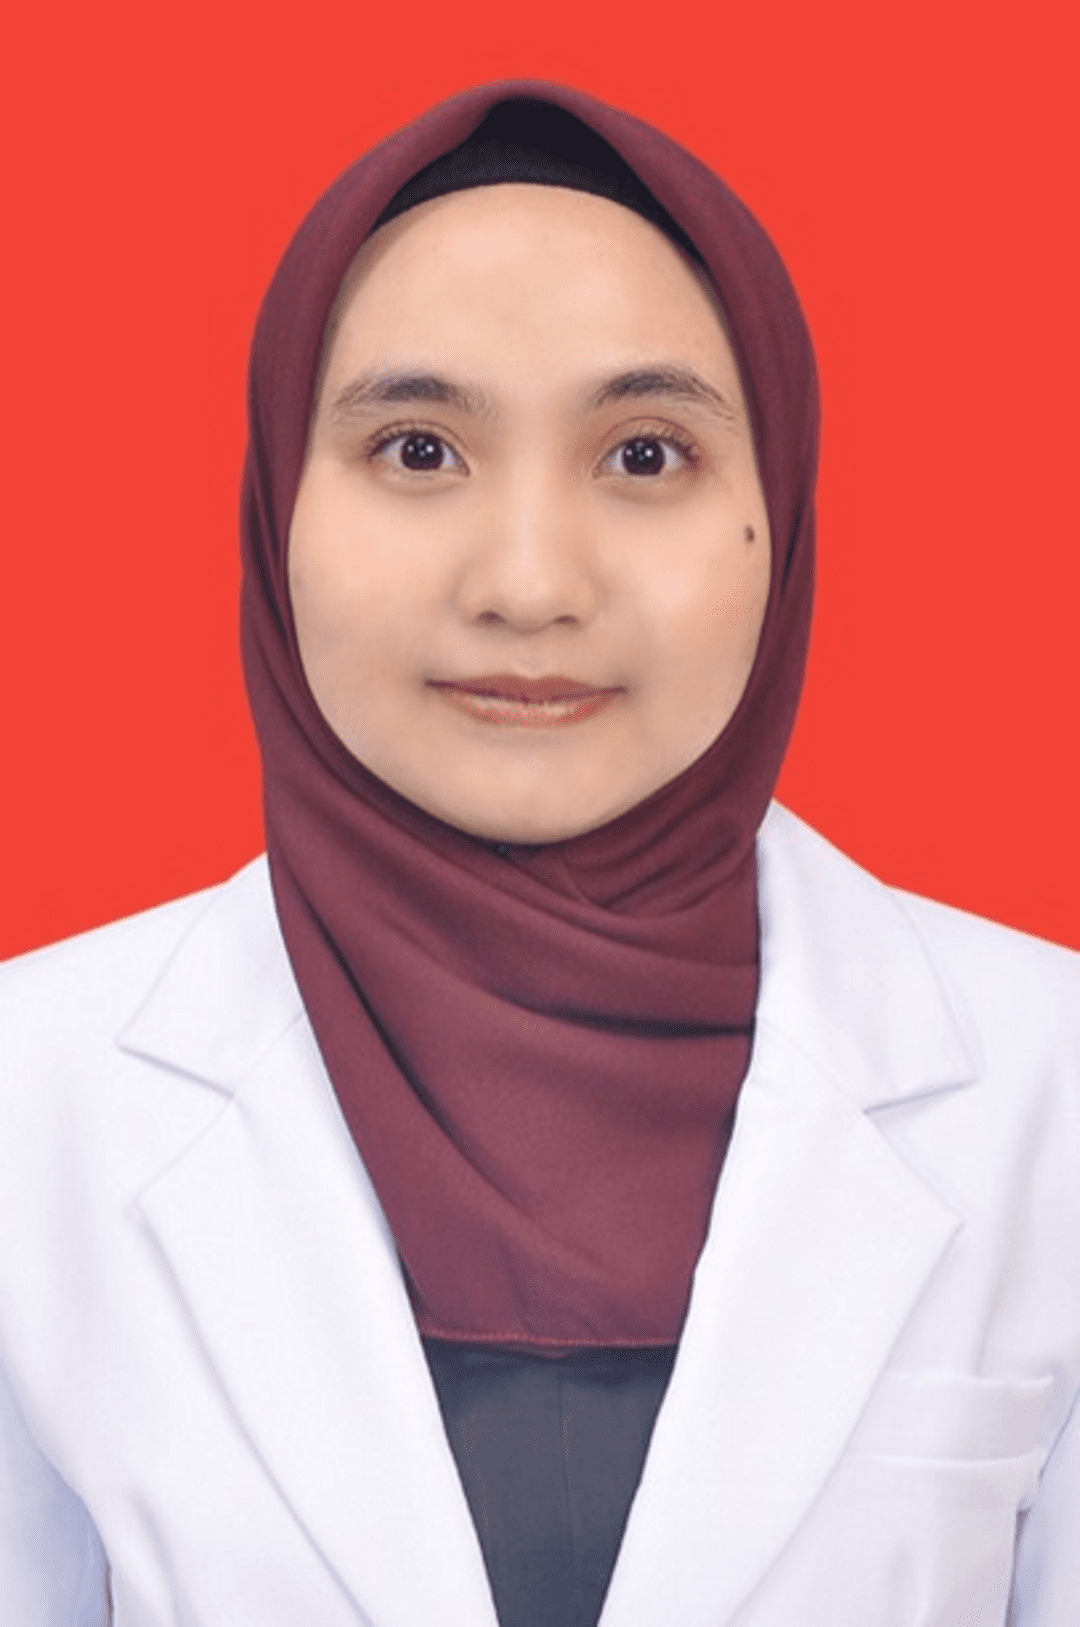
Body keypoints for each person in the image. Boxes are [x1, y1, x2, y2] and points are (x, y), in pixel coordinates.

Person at [0, 80, 1077, 1627]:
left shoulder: (1052, 1090)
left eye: (643, 456)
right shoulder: (29, 1100)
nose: (527, 584)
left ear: (780, 513)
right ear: (277, 507)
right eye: (417, 448)